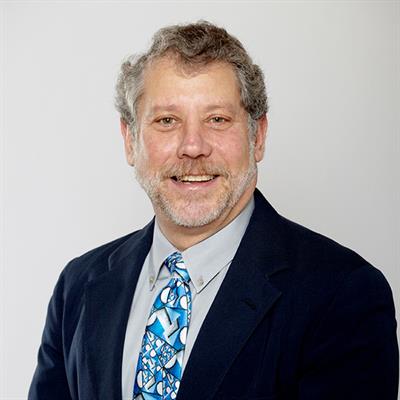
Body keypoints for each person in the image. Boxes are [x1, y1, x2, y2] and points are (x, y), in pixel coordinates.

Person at [29, 21, 398, 400]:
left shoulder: (341, 295)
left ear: (258, 137)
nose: (193, 147)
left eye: (217, 120)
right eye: (167, 121)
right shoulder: (79, 287)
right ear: (130, 141)